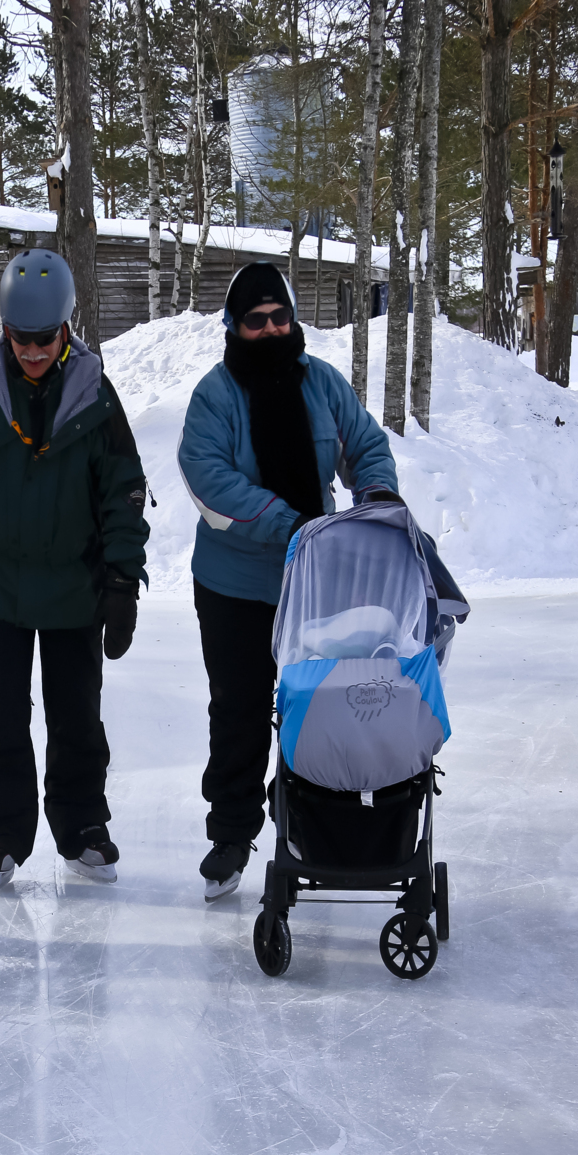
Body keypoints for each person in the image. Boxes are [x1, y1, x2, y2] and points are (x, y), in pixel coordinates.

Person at [0, 248, 150, 891]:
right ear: (4, 330)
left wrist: (123, 581)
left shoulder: (94, 393)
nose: (34, 350)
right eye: (22, 338)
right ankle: (3, 834)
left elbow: (124, 489)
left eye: (46, 338)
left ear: (66, 328)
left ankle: (84, 829)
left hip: (76, 586)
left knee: (77, 718)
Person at [176, 262, 402, 900]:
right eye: (256, 320)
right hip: (235, 586)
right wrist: (292, 525)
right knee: (241, 711)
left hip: (317, 582)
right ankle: (232, 831)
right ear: (235, 326)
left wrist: (376, 496)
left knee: (319, 708)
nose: (271, 329)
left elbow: (365, 444)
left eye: (281, 317)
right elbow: (210, 481)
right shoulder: (215, 397)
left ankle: (309, 821)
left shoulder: (321, 382)